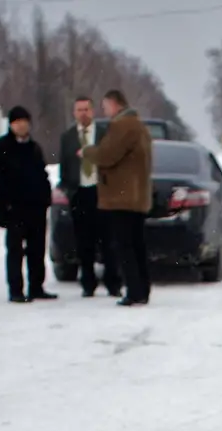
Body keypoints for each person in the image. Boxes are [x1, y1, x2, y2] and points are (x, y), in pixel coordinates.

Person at [84, 89, 153, 307]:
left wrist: (88, 152)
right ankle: (142, 289)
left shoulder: (122, 126)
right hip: (137, 196)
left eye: (105, 106)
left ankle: (133, 291)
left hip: (122, 197)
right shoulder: (140, 126)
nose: (104, 111)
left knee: (125, 245)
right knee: (137, 244)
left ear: (115, 104)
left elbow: (107, 155)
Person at [0, 106, 56, 303]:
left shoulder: (34, 147)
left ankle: (36, 287)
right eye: (17, 122)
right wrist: (3, 203)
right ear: (11, 125)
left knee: (37, 249)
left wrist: (46, 197)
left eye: (24, 122)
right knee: (15, 250)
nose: (22, 126)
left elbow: (41, 173)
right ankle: (16, 289)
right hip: (14, 208)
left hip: (36, 207)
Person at [58, 96, 123, 298]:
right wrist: (68, 190)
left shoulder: (105, 134)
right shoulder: (68, 137)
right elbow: (64, 167)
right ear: (74, 113)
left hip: (101, 192)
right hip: (79, 194)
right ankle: (88, 283)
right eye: (79, 110)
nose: (83, 113)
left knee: (108, 240)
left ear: (93, 111)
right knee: (83, 241)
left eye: (86, 109)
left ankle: (113, 283)